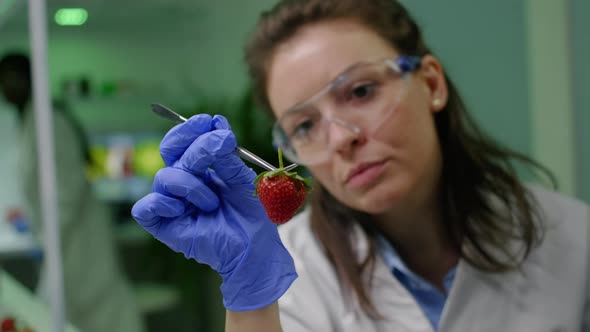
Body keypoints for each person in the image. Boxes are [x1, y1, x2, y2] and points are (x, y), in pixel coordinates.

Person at [131, 0, 590, 331]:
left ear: (430, 83)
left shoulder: (575, 239)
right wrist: (252, 294)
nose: (341, 138)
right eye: (304, 125)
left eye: (361, 92)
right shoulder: (286, 270)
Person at [0, 53, 145, 332]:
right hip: (63, 237)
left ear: (31, 80)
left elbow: (68, 188)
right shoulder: (30, 121)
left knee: (99, 309)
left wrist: (48, 236)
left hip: (77, 237)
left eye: (13, 79)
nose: (7, 88)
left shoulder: (50, 121)